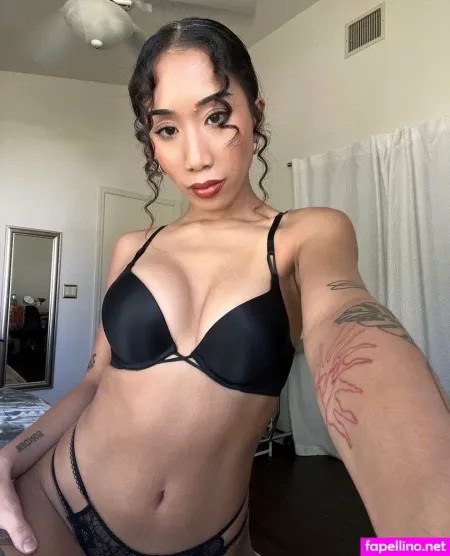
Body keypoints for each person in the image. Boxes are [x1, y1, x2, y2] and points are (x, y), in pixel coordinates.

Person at [1, 16, 450, 556]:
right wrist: (10, 457)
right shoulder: (133, 248)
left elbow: (351, 329)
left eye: (216, 117)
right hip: (55, 506)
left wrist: (425, 541)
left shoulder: (307, 235)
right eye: (167, 129)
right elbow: (95, 382)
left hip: (213, 542)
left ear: (256, 113)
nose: (196, 157)